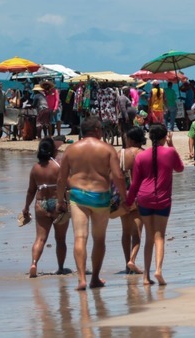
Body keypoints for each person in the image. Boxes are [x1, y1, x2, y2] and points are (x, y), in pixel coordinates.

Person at [56, 116, 127, 290]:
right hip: (100, 197)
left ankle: (81, 279)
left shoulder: (71, 150)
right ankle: (94, 277)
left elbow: (61, 179)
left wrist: (60, 200)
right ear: (96, 130)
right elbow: (118, 176)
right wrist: (124, 196)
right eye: (101, 129)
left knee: (80, 237)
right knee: (99, 239)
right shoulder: (107, 149)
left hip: (78, 196)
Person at [125, 124, 184, 286]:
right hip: (162, 199)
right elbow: (180, 168)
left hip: (144, 198)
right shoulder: (170, 152)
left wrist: (128, 202)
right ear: (165, 137)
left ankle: (145, 277)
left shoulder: (141, 156)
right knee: (160, 237)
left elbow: (135, 183)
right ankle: (158, 270)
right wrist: (171, 145)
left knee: (149, 238)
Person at [22, 137, 69, 277]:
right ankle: (61, 268)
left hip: (41, 204)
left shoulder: (35, 168)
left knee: (40, 238)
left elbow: (31, 190)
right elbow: (68, 184)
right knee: (60, 239)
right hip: (58, 203)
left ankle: (34, 263)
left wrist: (26, 207)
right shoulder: (58, 166)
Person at [113, 126, 146, 275]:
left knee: (125, 232)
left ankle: (127, 263)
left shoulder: (120, 154)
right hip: (139, 196)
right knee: (137, 234)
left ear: (130, 139)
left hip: (123, 196)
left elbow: (112, 176)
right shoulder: (144, 154)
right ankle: (132, 259)